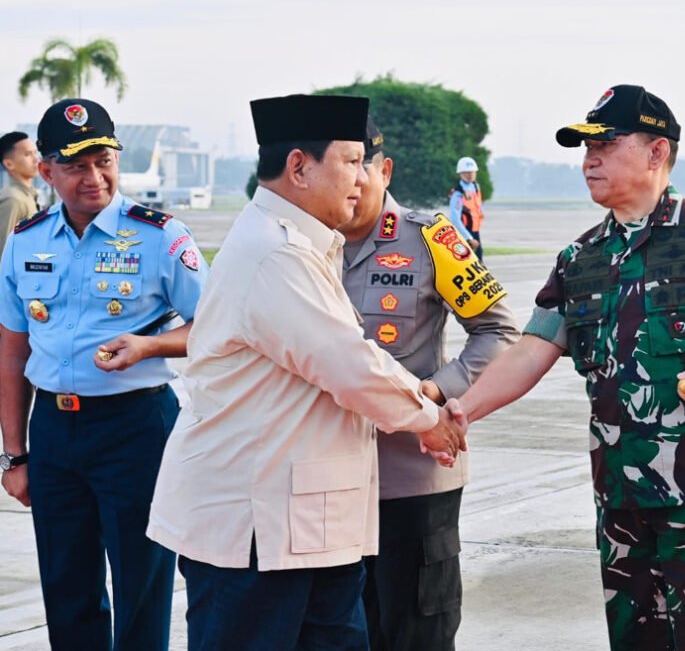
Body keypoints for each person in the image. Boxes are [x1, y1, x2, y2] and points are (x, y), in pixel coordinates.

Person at [444, 84, 685, 651]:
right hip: (622, 493)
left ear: (656, 152)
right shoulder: (582, 257)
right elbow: (531, 350)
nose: (590, 160)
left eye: (607, 143)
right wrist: (461, 411)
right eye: (585, 149)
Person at [146, 94, 467, 651]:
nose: (362, 179)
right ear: (299, 167)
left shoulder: (304, 244)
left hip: (307, 525)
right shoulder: (276, 253)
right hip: (256, 532)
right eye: (349, 161)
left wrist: (421, 404)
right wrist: (427, 418)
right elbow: (349, 364)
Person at [0, 98, 208, 651]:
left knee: (142, 580)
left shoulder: (161, 236)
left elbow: (218, 329)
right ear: (46, 172)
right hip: (54, 431)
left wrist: (150, 345)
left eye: (103, 161)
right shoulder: (26, 242)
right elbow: (12, 352)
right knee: (66, 584)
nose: (94, 178)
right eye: (75, 166)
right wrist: (15, 454)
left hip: (136, 426)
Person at [338, 116, 520, 651]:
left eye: (359, 166)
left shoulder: (431, 238)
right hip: (330, 476)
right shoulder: (307, 247)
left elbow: (498, 330)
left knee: (418, 630)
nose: (349, 182)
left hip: (413, 476)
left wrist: (434, 393)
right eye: (336, 167)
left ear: (384, 168)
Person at [0, 131, 41, 257]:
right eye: (27, 154)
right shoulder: (13, 199)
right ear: (9, 164)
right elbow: (4, 251)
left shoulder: (28, 195)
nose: (36, 160)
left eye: (35, 153)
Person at [448, 155, 484, 259]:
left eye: (472, 172)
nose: (470, 175)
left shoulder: (476, 187)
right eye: (466, 172)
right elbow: (455, 219)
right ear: (460, 174)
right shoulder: (458, 193)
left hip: (475, 231)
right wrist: (468, 238)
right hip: (465, 234)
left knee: (479, 260)